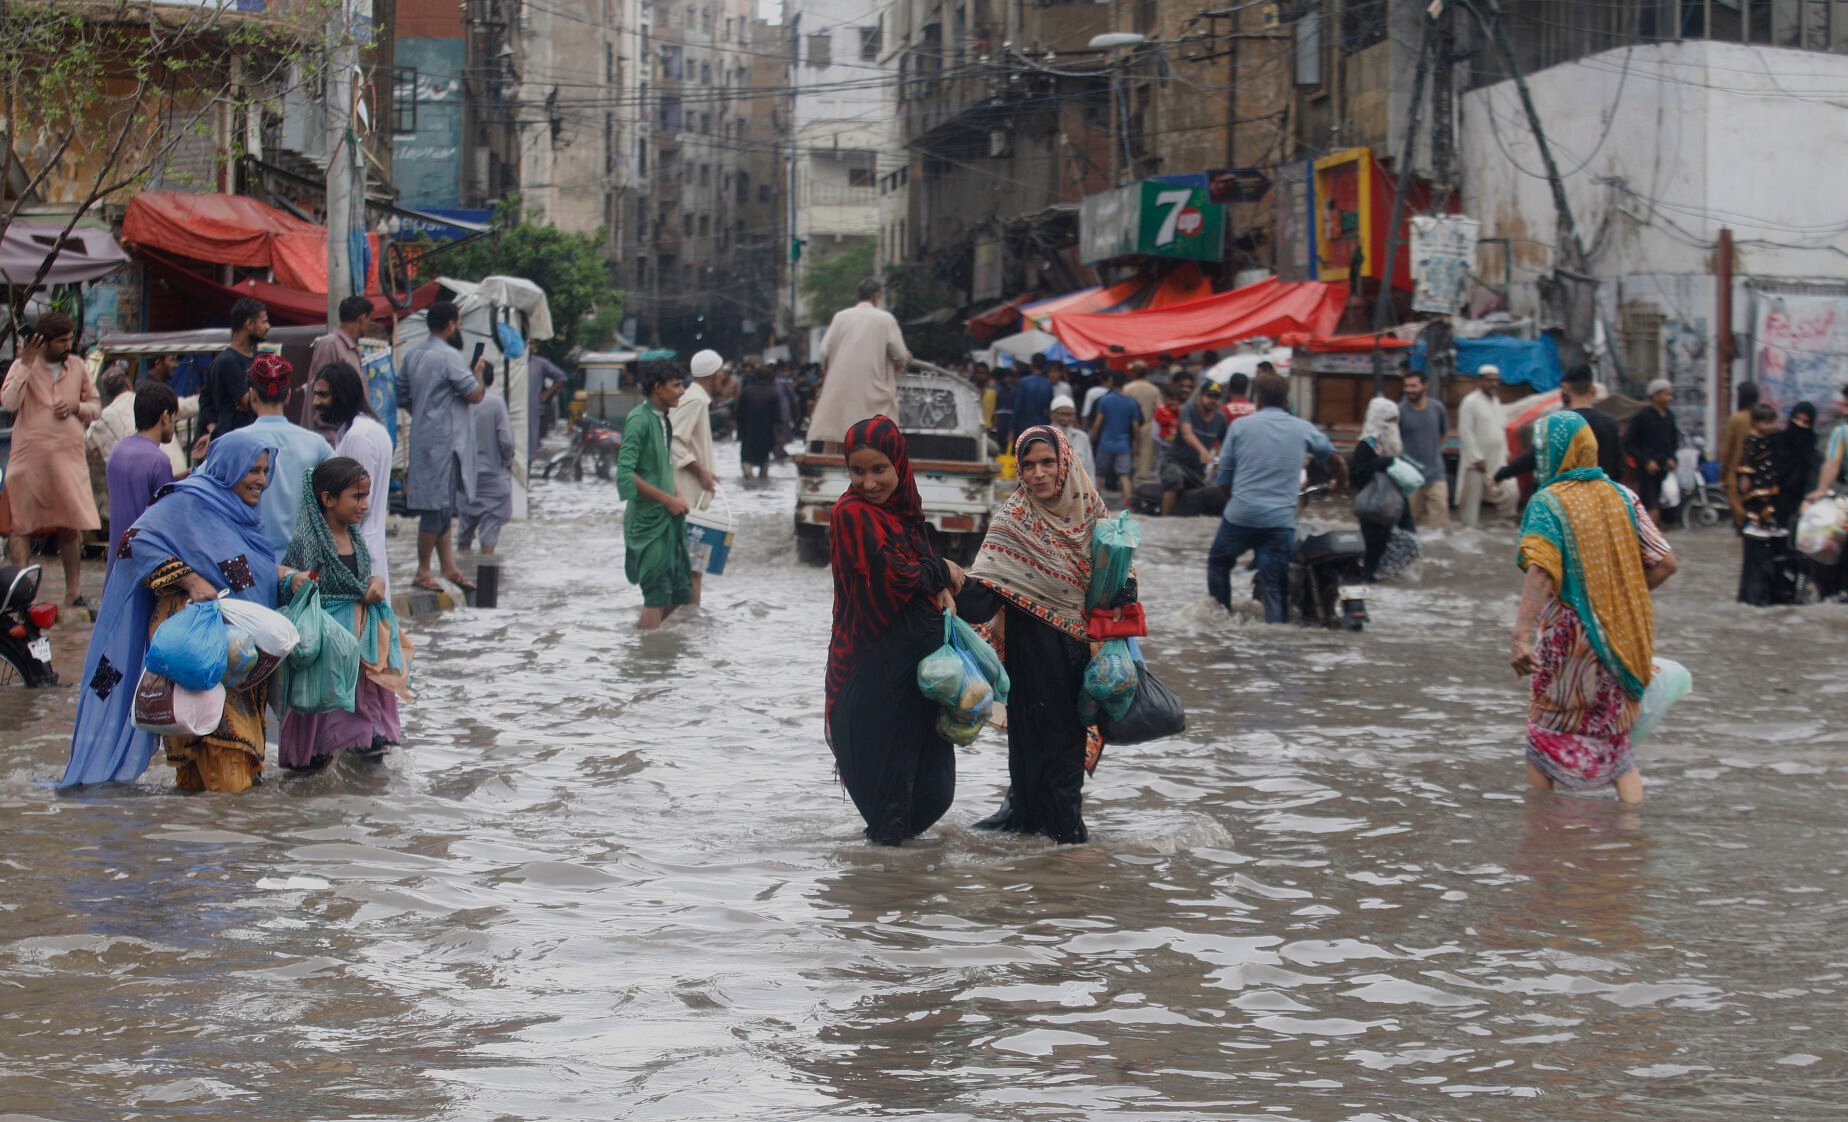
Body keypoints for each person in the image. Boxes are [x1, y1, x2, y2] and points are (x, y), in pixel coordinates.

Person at [61, 429, 294, 792]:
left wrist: (287, 578)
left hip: (236, 650)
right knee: (219, 753)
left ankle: (197, 841)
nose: (262, 480)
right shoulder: (187, 503)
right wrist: (189, 580)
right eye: (253, 470)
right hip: (193, 643)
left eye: (266, 471)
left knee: (212, 770)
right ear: (229, 468)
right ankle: (224, 841)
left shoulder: (245, 518)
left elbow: (250, 573)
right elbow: (133, 543)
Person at [957, 426, 1117, 843]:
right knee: (1026, 756)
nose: (1037, 473)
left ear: (1066, 463)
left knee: (1065, 759)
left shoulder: (1093, 513)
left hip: (1080, 657)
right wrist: (943, 578)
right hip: (1027, 658)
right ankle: (1033, 861)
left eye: (1047, 463)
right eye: (1027, 465)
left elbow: (1118, 584)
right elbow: (984, 598)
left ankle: (1066, 856)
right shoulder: (1012, 522)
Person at [1511, 411, 1677, 804]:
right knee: (1616, 744)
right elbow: (1667, 563)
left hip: (1566, 641)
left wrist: (1520, 637)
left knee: (1543, 733)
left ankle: (1544, 829)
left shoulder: (1548, 502)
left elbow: (1541, 571)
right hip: (1620, 637)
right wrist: (1621, 597)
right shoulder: (1625, 496)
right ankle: (1631, 831)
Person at [826, 415, 965, 846]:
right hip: (870, 682)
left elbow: (920, 577)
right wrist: (941, 569)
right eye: (858, 471)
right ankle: (878, 904)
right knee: (890, 818)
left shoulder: (905, 516)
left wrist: (941, 578)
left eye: (879, 469)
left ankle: (896, 896)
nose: (869, 482)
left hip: (917, 684)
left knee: (935, 796)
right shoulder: (851, 514)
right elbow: (896, 576)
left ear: (900, 466)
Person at [277, 457, 409, 771]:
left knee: (367, 743)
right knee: (320, 741)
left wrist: (376, 582)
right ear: (328, 499)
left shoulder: (356, 538)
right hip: (326, 654)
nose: (364, 504)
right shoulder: (308, 543)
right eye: (357, 497)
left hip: (359, 656)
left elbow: (361, 579)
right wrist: (289, 578)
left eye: (366, 496)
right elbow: (291, 584)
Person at [1208, 371, 1348, 622]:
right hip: (1279, 522)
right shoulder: (1303, 428)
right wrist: (1340, 482)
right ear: (1286, 401)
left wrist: (1236, 501)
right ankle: (1276, 635)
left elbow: (1223, 477)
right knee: (1275, 586)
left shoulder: (1240, 427)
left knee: (1219, 563)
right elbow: (1336, 459)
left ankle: (1221, 618)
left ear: (1257, 401)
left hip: (1240, 515)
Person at [2, 312, 101, 608]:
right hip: (28, 460)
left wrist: (76, 406)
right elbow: (8, 403)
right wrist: (26, 363)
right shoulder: (24, 366)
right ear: (43, 341)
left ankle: (73, 593)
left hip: (68, 459)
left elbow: (96, 407)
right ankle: (21, 594)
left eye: (69, 339)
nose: (67, 345)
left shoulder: (78, 366)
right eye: (61, 341)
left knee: (70, 526)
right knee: (21, 526)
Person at [397, 300, 487, 593]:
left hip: (424, 436)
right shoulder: (450, 357)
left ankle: (448, 567)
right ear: (451, 325)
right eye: (458, 323)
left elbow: (400, 394)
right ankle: (423, 571)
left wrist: (423, 413)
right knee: (435, 509)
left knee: (443, 506)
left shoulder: (413, 355)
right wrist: (480, 374)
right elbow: (474, 395)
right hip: (444, 443)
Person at [617, 360, 693, 629]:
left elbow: (663, 465)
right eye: (676, 386)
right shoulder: (639, 420)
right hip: (648, 522)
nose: (682, 391)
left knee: (681, 590)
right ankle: (647, 661)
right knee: (656, 595)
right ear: (657, 388)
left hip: (668, 518)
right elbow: (626, 473)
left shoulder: (663, 420)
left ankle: (645, 644)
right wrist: (667, 499)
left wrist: (678, 495)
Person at [313, 361, 394, 597]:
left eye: (323, 395)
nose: (315, 402)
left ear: (342, 395)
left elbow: (355, 504)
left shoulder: (359, 437)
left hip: (359, 554)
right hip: (367, 548)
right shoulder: (365, 429)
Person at [806, 277, 912, 447]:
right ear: (877, 296)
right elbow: (899, 355)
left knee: (837, 439)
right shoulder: (885, 319)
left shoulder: (840, 317)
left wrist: (828, 369)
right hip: (873, 394)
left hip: (839, 393)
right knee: (874, 441)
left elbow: (824, 351)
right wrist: (906, 358)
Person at [245, 353, 333, 551]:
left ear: (252, 394)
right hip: (304, 564)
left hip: (251, 563)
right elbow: (342, 492)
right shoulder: (316, 444)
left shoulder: (230, 444)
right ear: (288, 396)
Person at [1497, 365, 1626, 483]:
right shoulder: (1610, 424)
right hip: (1599, 498)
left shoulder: (1559, 423)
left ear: (1565, 389)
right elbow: (1619, 466)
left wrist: (1501, 474)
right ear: (1592, 391)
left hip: (1568, 500)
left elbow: (1534, 457)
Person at [104, 382, 179, 582]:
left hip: (118, 559)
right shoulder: (159, 460)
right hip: (145, 563)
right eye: (174, 420)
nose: (174, 426)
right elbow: (166, 517)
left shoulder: (118, 450)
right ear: (164, 416)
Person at [87, 352, 198, 478]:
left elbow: (89, 446)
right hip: (172, 472)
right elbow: (187, 406)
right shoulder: (150, 397)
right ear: (129, 384)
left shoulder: (102, 421)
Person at [671, 349, 723, 604]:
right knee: (693, 567)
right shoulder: (695, 400)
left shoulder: (694, 398)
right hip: (688, 495)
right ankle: (688, 618)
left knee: (693, 566)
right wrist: (700, 471)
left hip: (693, 493)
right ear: (716, 375)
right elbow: (674, 442)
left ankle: (687, 621)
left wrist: (706, 471)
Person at [1347, 397, 1419, 582]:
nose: (1392, 426)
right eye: (1389, 421)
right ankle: (1371, 583)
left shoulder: (1390, 446)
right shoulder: (1367, 445)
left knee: (1407, 541)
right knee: (1374, 549)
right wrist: (1383, 463)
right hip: (1375, 507)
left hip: (1394, 504)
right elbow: (1356, 474)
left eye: (1395, 421)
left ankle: (1388, 581)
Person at [457, 367, 516, 555]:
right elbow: (506, 439)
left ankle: (462, 573)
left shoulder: (459, 401)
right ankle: (486, 577)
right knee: (489, 536)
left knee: (464, 533)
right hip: (492, 476)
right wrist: (508, 460)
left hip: (465, 478)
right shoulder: (496, 403)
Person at [1455, 363, 1517, 527]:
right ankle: (1469, 538)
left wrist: (1506, 453)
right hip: (1476, 464)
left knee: (1511, 492)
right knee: (1470, 511)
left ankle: (1503, 527)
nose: (1493, 384)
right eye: (1489, 380)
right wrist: (1476, 458)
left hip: (1497, 461)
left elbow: (1500, 429)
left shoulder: (1496, 401)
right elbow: (1465, 432)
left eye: (1496, 380)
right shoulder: (1470, 402)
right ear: (1480, 381)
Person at [199, 297, 268, 440]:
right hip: (235, 439)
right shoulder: (227, 362)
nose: (268, 327)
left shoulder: (259, 359)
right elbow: (251, 402)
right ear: (249, 324)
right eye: (264, 322)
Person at [1162, 382, 1227, 516]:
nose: (1213, 400)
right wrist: (1203, 451)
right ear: (1201, 396)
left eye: (1216, 397)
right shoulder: (1188, 409)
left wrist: (1217, 464)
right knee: (1175, 479)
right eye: (1210, 396)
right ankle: (1164, 518)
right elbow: (1187, 434)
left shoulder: (1220, 419)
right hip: (1176, 461)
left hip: (1197, 471)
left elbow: (1224, 443)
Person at [1623, 378, 1680, 526]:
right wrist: (1645, 461)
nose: (1669, 398)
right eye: (1666, 395)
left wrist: (1672, 458)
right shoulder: (1643, 416)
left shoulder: (1669, 416)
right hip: (1647, 470)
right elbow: (1629, 443)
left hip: (1665, 469)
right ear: (1655, 396)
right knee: (1651, 506)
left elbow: (1673, 441)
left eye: (1670, 395)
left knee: (1668, 506)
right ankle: (1651, 539)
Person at [1397, 369, 1450, 527]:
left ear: (1425, 386)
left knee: (1441, 523)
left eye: (1414, 386)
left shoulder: (1437, 408)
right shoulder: (1399, 411)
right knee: (1411, 521)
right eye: (1406, 386)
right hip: (1409, 477)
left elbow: (1444, 432)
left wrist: (1433, 450)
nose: (1409, 390)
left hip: (1436, 474)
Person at [1089, 371, 1142, 509]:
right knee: (1124, 475)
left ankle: (1094, 504)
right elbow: (1136, 427)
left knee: (1099, 474)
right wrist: (1137, 444)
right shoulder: (1131, 403)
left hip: (1105, 443)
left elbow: (1098, 422)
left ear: (1111, 382)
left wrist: (1092, 437)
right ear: (1125, 384)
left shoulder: (1104, 400)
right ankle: (1128, 505)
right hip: (1123, 445)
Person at [1718, 381, 1760, 528]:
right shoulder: (1761, 417)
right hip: (1760, 472)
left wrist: (1723, 473)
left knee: (1740, 513)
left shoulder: (1737, 419)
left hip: (1738, 470)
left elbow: (1727, 449)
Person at [310, 295, 372, 393]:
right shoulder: (329, 344)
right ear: (361, 319)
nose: (369, 324)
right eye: (369, 319)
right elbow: (320, 389)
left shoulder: (353, 349)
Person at [1771, 401, 1819, 528]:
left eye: (1805, 422)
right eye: (1796, 419)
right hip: (1771, 501)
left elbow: (1812, 477)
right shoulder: (1775, 440)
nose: (1799, 424)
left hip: (1797, 503)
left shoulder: (1811, 449)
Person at [736, 365, 784, 480]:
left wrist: (739, 433)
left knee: (746, 462)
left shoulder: (746, 392)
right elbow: (777, 419)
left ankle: (749, 478)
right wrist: (780, 438)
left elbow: (738, 415)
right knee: (764, 467)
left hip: (748, 435)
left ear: (755, 377)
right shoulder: (773, 394)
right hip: (766, 436)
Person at [1122, 361, 1162, 484]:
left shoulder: (1127, 388)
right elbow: (1160, 408)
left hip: (1129, 425)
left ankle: (1128, 479)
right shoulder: (1154, 389)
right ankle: (1141, 483)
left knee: (1129, 453)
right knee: (1145, 455)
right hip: (1148, 425)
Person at [1051, 395, 1095, 478]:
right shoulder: (1045, 436)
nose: (1066, 419)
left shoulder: (1082, 437)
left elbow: (1090, 467)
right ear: (1052, 415)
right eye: (1062, 414)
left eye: (1070, 415)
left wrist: (1092, 489)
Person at [1012, 355, 1055, 436]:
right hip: (1042, 424)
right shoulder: (1048, 384)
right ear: (1045, 366)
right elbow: (1050, 408)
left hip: (1024, 424)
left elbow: (1017, 407)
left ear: (1031, 365)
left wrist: (1012, 426)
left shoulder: (1023, 382)